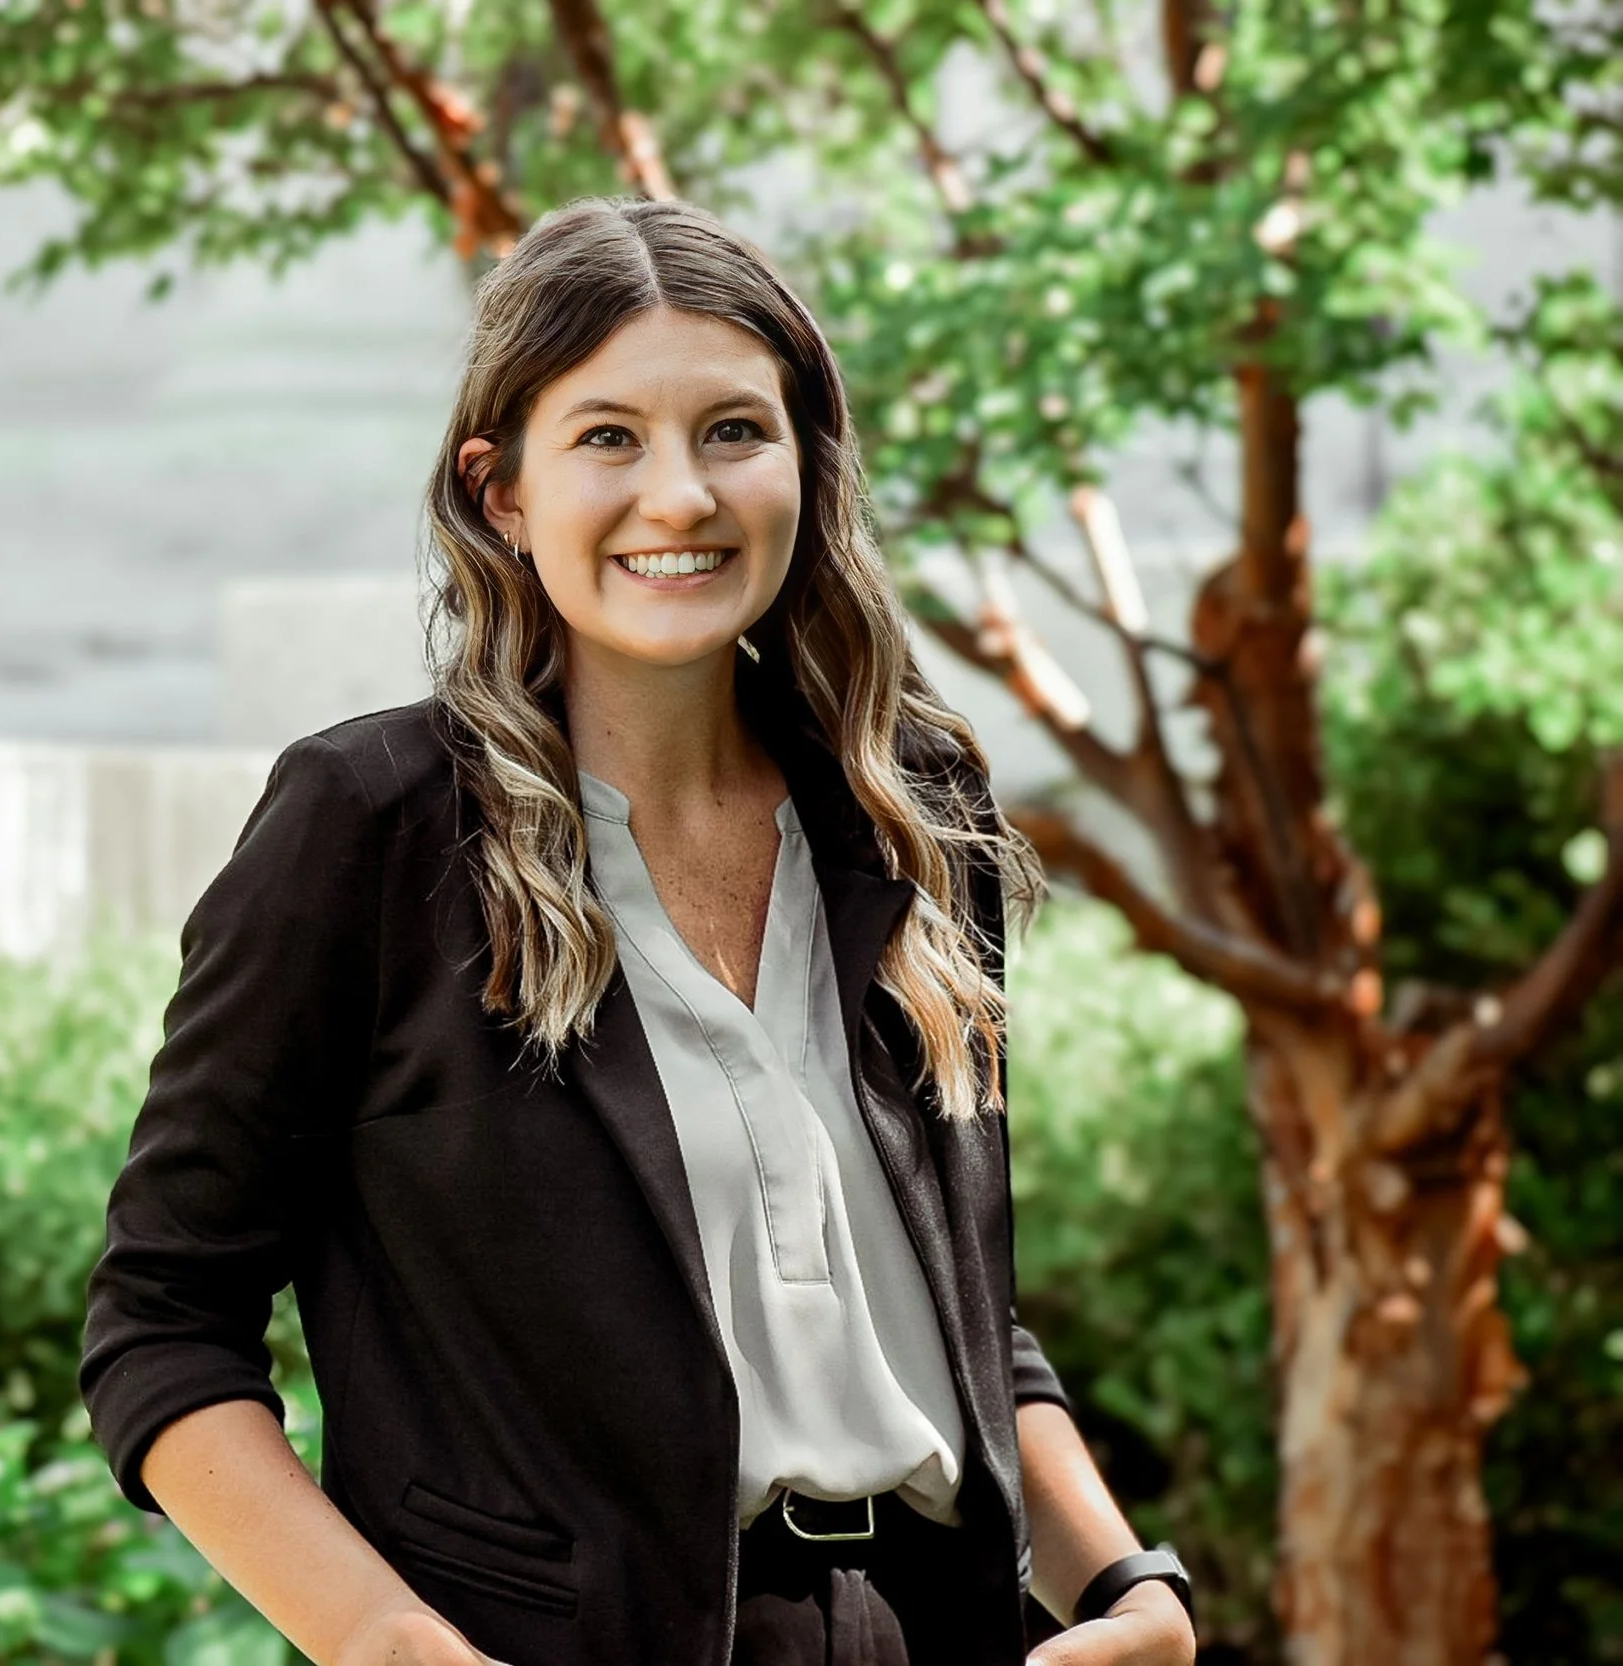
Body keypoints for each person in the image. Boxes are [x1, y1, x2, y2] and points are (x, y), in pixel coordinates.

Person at [77, 197, 1197, 1666]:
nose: (680, 496)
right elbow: (164, 1320)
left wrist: (1130, 1588)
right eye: (608, 437)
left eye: (734, 430)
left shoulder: (913, 809)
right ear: (501, 491)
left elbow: (947, 1313)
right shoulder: (371, 825)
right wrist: (393, 1646)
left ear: (808, 463)